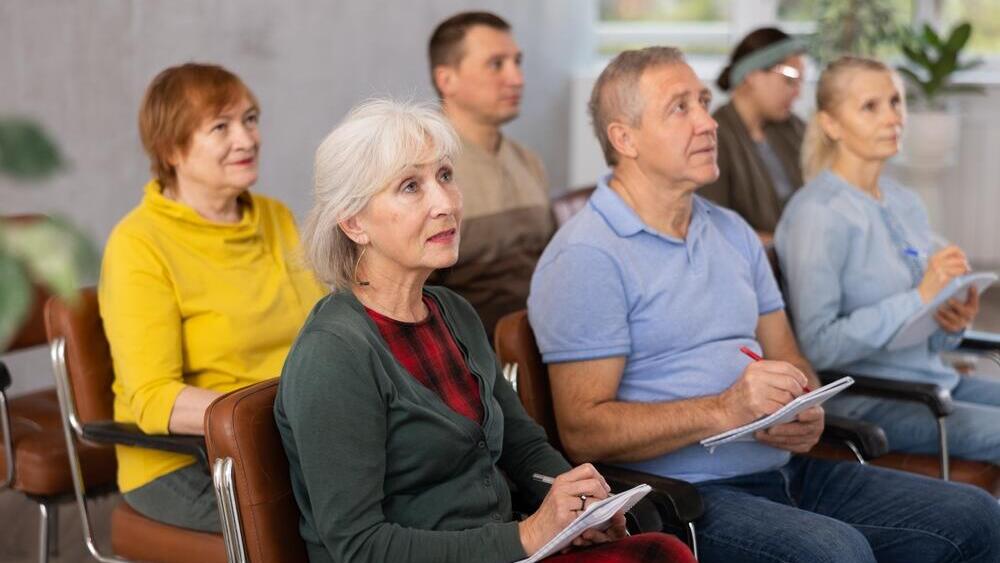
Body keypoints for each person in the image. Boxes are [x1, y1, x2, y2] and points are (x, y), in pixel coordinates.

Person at [528, 46, 1000, 563]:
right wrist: (725, 409)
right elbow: (582, 430)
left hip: (784, 469)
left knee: (977, 516)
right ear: (625, 138)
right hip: (685, 497)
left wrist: (807, 410)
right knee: (838, 553)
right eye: (680, 108)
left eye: (704, 102)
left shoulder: (732, 232)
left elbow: (793, 358)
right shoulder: (585, 255)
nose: (708, 122)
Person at [274, 99, 695, 563]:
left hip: (504, 548)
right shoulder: (334, 353)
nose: (445, 203)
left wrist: (581, 507)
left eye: (446, 176)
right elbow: (359, 547)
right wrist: (527, 536)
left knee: (660, 551)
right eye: (411, 186)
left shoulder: (452, 312)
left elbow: (523, 446)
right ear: (354, 223)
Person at [99, 63, 327, 532]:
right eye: (221, 127)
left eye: (250, 118)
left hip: (296, 440)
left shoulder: (274, 216)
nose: (246, 138)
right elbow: (152, 398)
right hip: (190, 463)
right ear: (172, 149)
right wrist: (277, 420)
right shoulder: (138, 244)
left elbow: (324, 328)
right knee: (342, 521)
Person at [774, 56, 1000, 465]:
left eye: (896, 102)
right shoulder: (818, 214)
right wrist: (920, 297)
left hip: (934, 380)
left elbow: (925, 332)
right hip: (873, 399)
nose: (893, 117)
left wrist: (951, 320)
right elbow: (819, 346)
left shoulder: (903, 201)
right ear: (831, 125)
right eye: (870, 107)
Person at [426, 11, 555, 340]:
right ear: (447, 80)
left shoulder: (528, 162)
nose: (517, 78)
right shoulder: (422, 171)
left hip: (545, 343)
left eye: (517, 62)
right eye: (496, 64)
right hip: (472, 359)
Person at [700, 27, 807, 243]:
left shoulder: (794, 127)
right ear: (751, 76)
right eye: (789, 81)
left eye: (799, 83)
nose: (797, 93)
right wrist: (790, 246)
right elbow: (713, 230)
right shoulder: (712, 140)